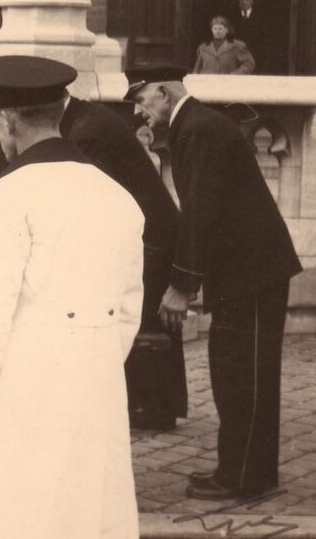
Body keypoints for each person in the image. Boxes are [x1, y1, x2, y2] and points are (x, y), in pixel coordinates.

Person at [0, 55, 144, 539]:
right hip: (95, 383)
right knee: (85, 512)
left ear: (6, 121)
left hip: (24, 389)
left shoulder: (8, 197)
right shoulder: (117, 196)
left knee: (17, 515)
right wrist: (89, 359)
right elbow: (128, 310)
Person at [126, 64, 301, 500]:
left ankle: (246, 478)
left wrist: (181, 286)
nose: (139, 112)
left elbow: (200, 213)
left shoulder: (197, 129)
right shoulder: (195, 125)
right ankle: (240, 470)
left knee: (245, 376)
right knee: (234, 373)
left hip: (253, 273)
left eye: (141, 100)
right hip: (243, 273)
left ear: (164, 93)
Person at [59, 91, 187, 431]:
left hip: (150, 235)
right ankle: (155, 406)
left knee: (144, 323)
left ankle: (152, 409)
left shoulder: (85, 130)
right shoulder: (85, 118)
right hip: (149, 230)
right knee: (148, 323)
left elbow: (94, 195)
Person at [234, 0, 266, 70]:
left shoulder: (261, 17)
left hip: (255, 56)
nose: (243, 2)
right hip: (236, 57)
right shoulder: (232, 16)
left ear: (252, 1)